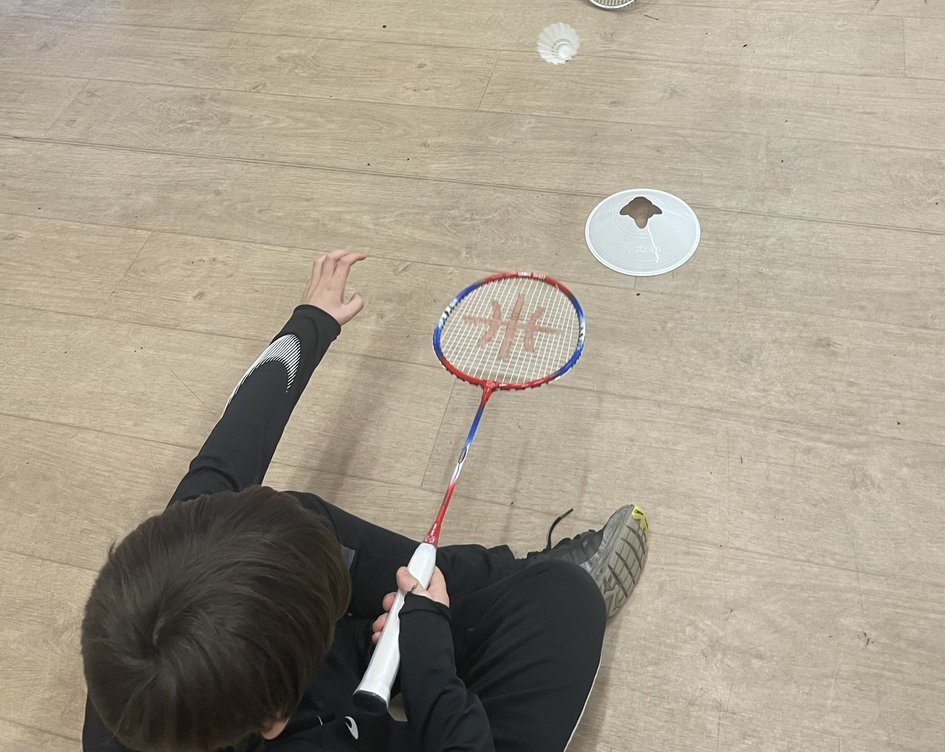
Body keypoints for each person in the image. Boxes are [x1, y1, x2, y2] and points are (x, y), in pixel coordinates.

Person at [80, 249, 650, 752]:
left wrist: (311, 323)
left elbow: (231, 449)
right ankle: (455, 613)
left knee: (296, 516)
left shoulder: (163, 592)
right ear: (276, 719)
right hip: (345, 718)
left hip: (306, 679)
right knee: (568, 599)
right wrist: (429, 667)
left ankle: (459, 588)